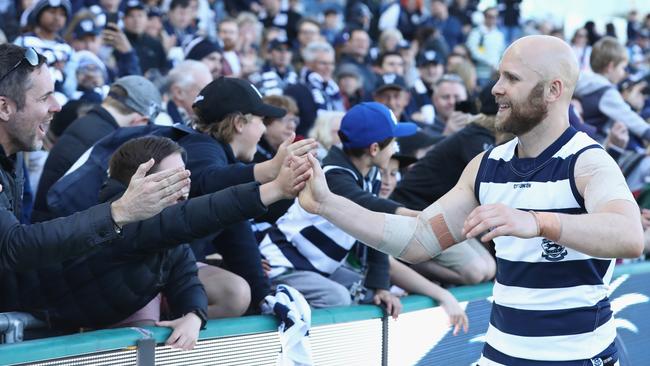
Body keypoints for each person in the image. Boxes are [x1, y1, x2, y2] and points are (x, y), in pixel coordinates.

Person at [297, 35, 643, 364]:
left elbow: (629, 236)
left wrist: (539, 221)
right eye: (498, 76)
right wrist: (327, 204)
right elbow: (419, 238)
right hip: (500, 355)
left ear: (553, 90)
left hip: (576, 358)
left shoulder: (587, 161)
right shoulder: (488, 166)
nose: (496, 88)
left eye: (512, 78)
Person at [0, 44, 190, 269]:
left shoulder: (14, 152)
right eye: (45, 98)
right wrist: (120, 211)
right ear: (4, 108)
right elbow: (14, 246)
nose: (57, 107)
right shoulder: (94, 137)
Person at [259, 102, 416, 316]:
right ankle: (269, 307)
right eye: (393, 142)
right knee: (338, 297)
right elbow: (370, 206)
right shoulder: (332, 175)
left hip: (319, 268)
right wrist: (418, 216)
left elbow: (378, 232)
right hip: (283, 265)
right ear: (374, 148)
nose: (395, 147)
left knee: (373, 293)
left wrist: (381, 286)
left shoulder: (372, 175)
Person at [33, 75, 163, 222]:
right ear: (141, 121)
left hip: (46, 226)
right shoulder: (109, 143)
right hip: (59, 233)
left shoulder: (86, 123)